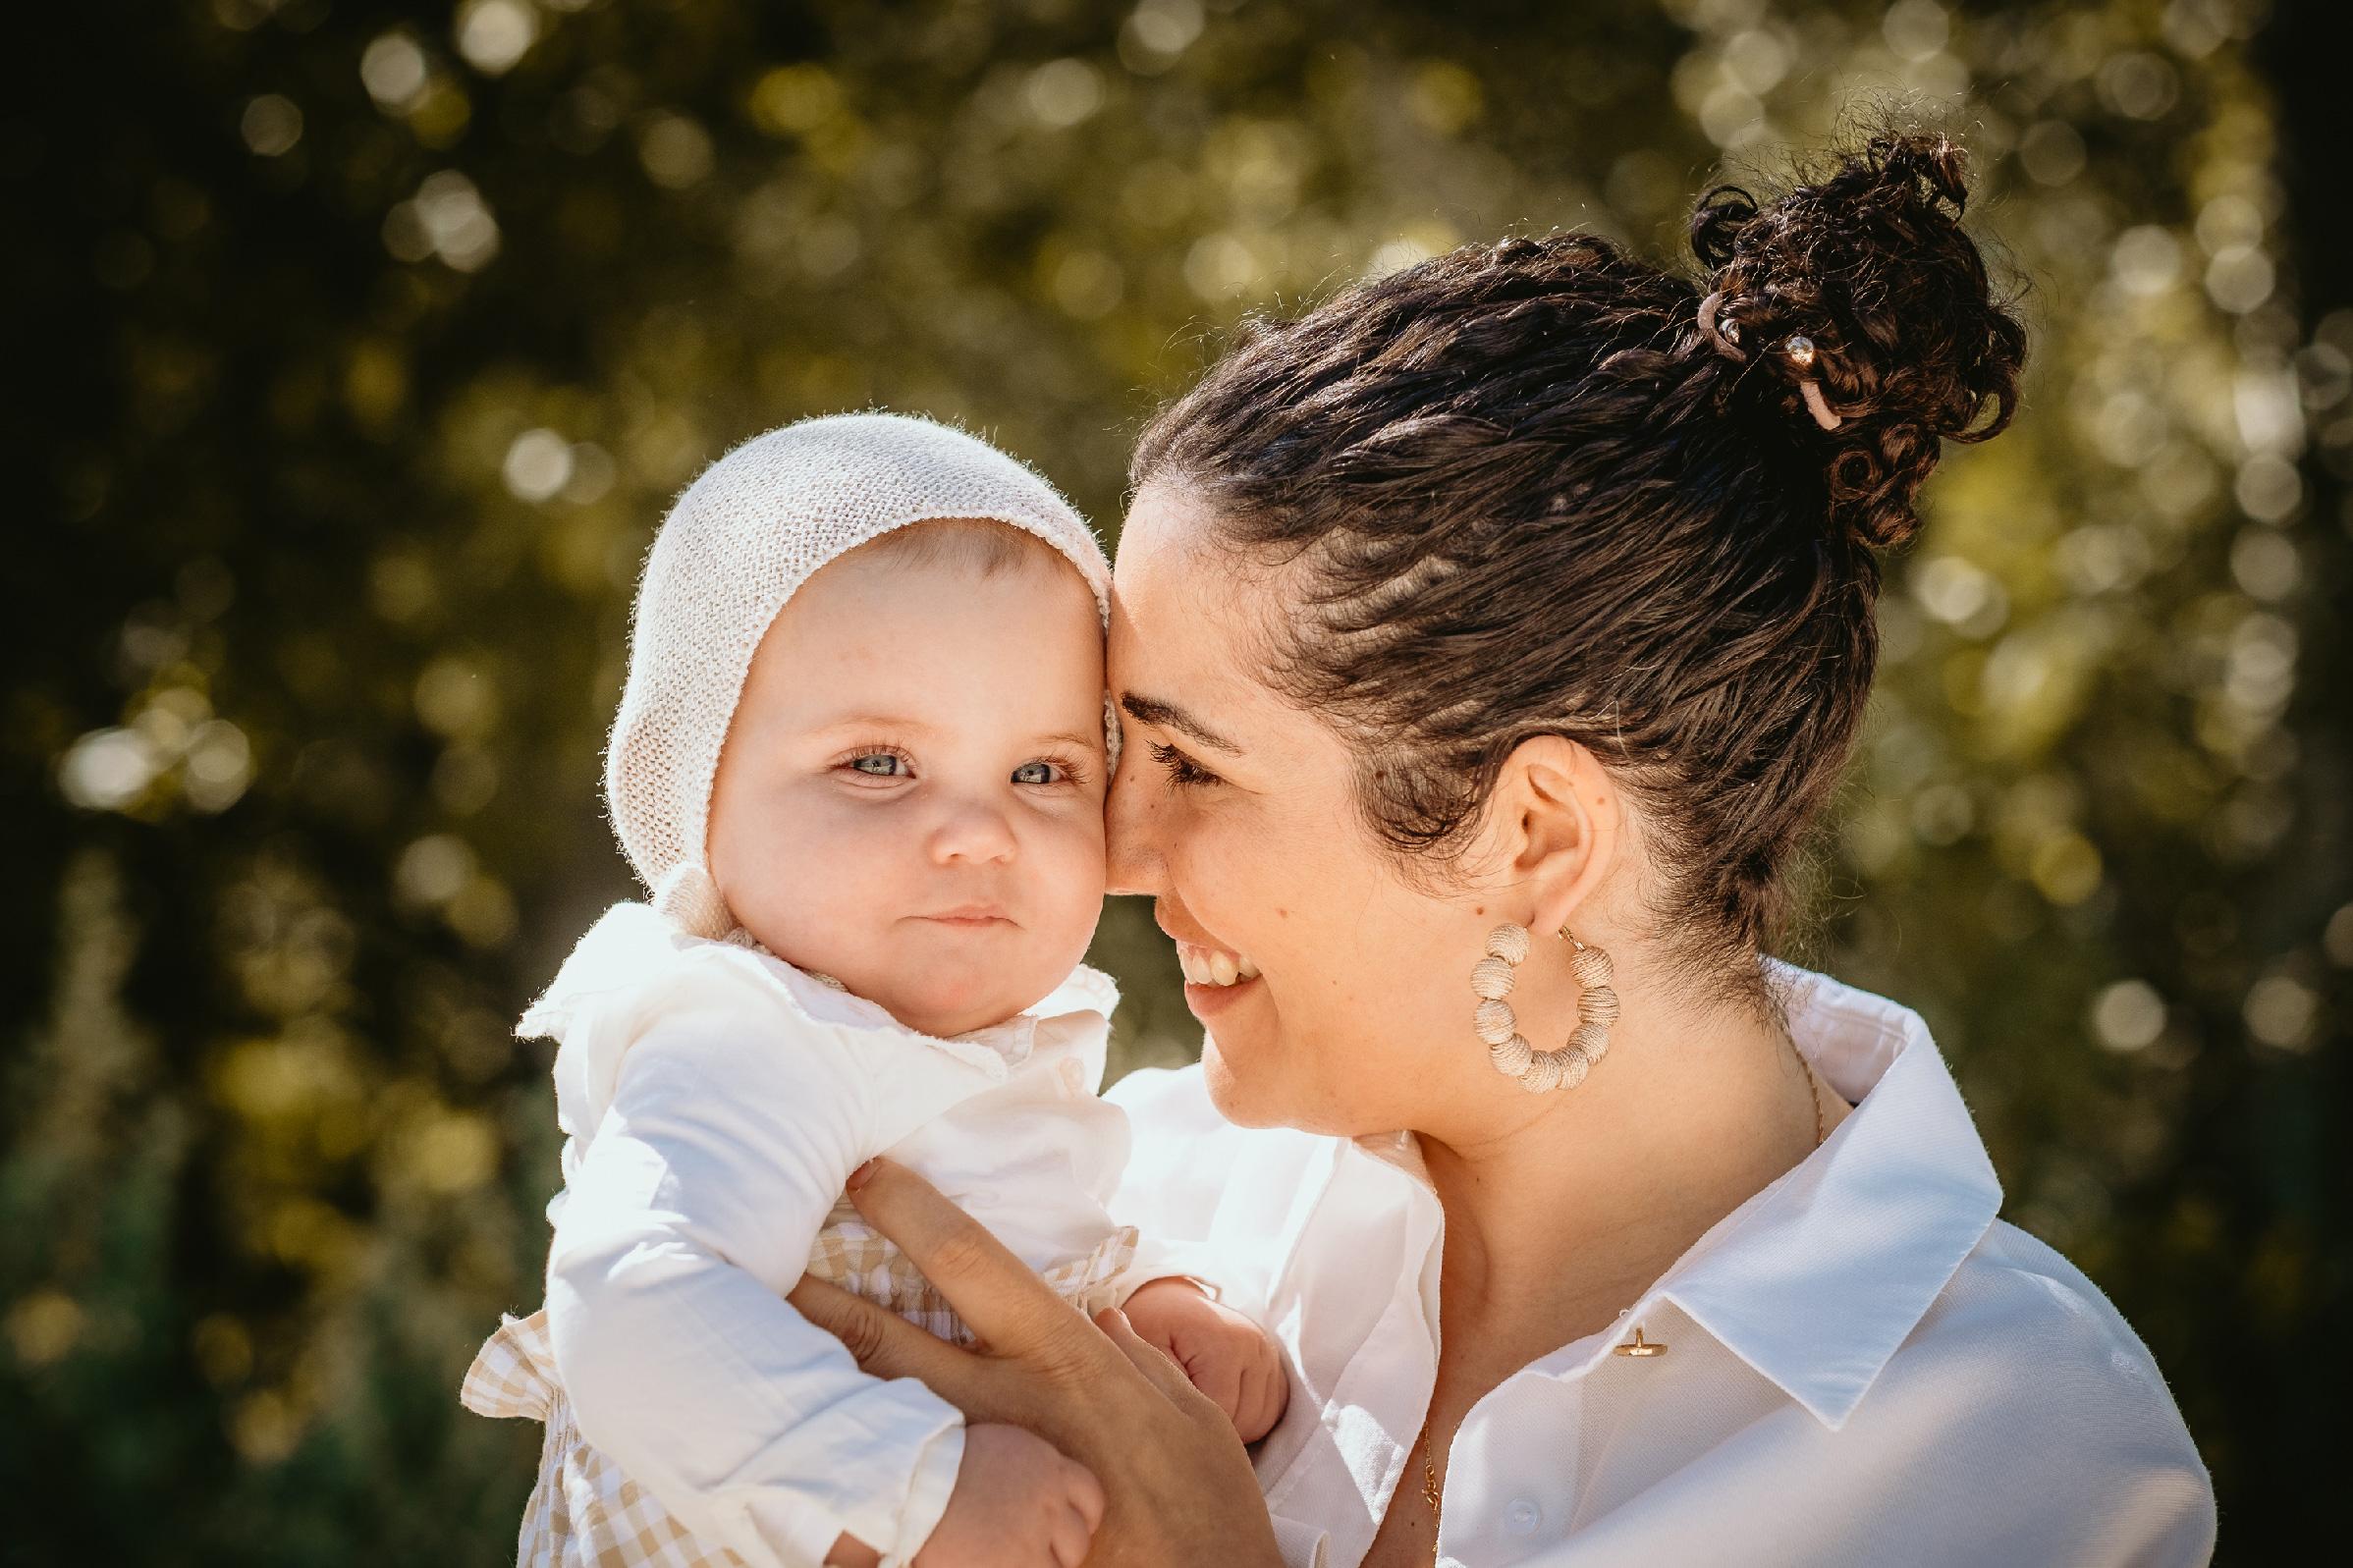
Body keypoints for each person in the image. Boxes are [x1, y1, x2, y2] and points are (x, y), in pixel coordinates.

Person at [781, 135, 2221, 1567]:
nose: (1111, 853)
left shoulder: (2021, 1451)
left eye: (1192, 765)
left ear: (1536, 837)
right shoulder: (1098, 1199)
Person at [458, 412, 1285, 1568]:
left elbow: (1016, 1219)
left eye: (1041, 769)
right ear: (701, 801)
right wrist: (909, 1486)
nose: (979, 832)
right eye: (878, 764)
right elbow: (635, 1301)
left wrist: (1147, 1304)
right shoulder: (748, 1032)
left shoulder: (986, 1051)